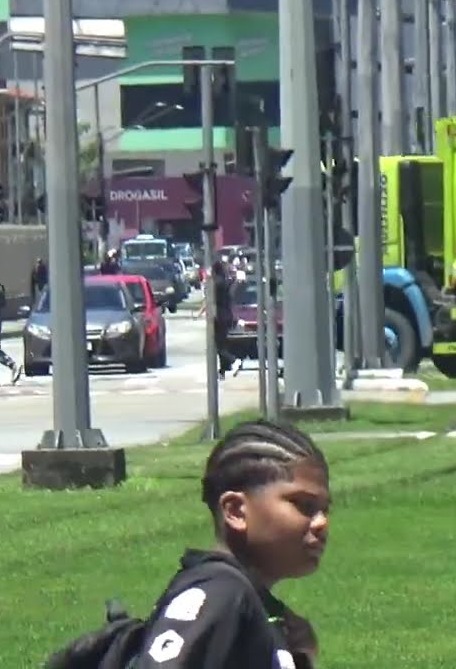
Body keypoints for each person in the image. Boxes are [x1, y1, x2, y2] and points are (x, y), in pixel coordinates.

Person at [133, 419, 329, 668]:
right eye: (303, 505)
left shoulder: (254, 604)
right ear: (236, 511)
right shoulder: (220, 594)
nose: (322, 522)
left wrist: (299, 657)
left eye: (325, 509)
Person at [211, 260, 239, 379]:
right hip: (227, 315)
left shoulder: (216, 284)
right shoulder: (226, 282)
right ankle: (222, 371)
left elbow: (212, 301)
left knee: (219, 346)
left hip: (219, 316)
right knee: (223, 343)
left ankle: (234, 360)